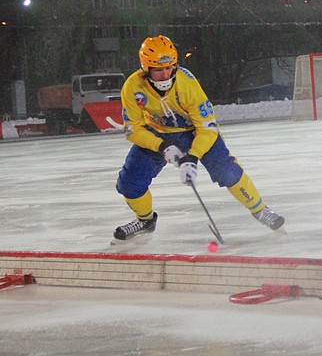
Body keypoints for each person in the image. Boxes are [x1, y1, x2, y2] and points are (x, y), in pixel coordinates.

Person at [113, 35, 284, 241]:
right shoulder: (132, 87)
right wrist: (161, 146)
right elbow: (133, 129)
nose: (165, 74)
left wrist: (192, 157)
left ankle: (260, 210)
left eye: (169, 68)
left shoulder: (187, 83)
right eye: (158, 69)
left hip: (195, 132)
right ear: (146, 68)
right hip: (158, 134)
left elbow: (207, 126)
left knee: (227, 171)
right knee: (129, 182)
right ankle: (145, 220)